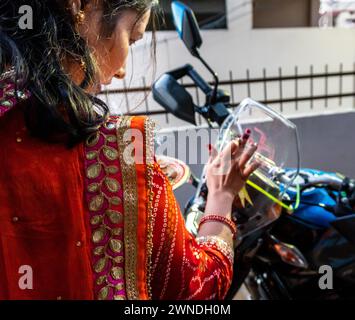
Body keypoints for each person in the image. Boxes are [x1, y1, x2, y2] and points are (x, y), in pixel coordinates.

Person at [0, 0, 259, 300]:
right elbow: (198, 289)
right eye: (132, 37)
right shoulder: (116, 156)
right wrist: (222, 196)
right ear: (81, 6)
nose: (122, 70)